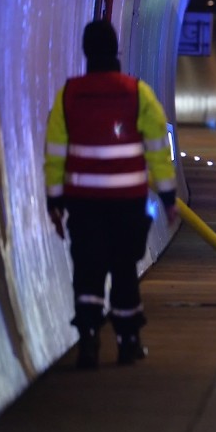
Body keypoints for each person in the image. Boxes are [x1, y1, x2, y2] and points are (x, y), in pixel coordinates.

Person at [43, 20, 178, 369]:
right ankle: (128, 342)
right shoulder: (137, 93)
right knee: (123, 268)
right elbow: (158, 151)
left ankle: (88, 342)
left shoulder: (68, 95)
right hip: (127, 203)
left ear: (86, 52)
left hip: (83, 204)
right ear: (116, 51)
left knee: (87, 270)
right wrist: (167, 197)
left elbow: (54, 153)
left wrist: (54, 202)